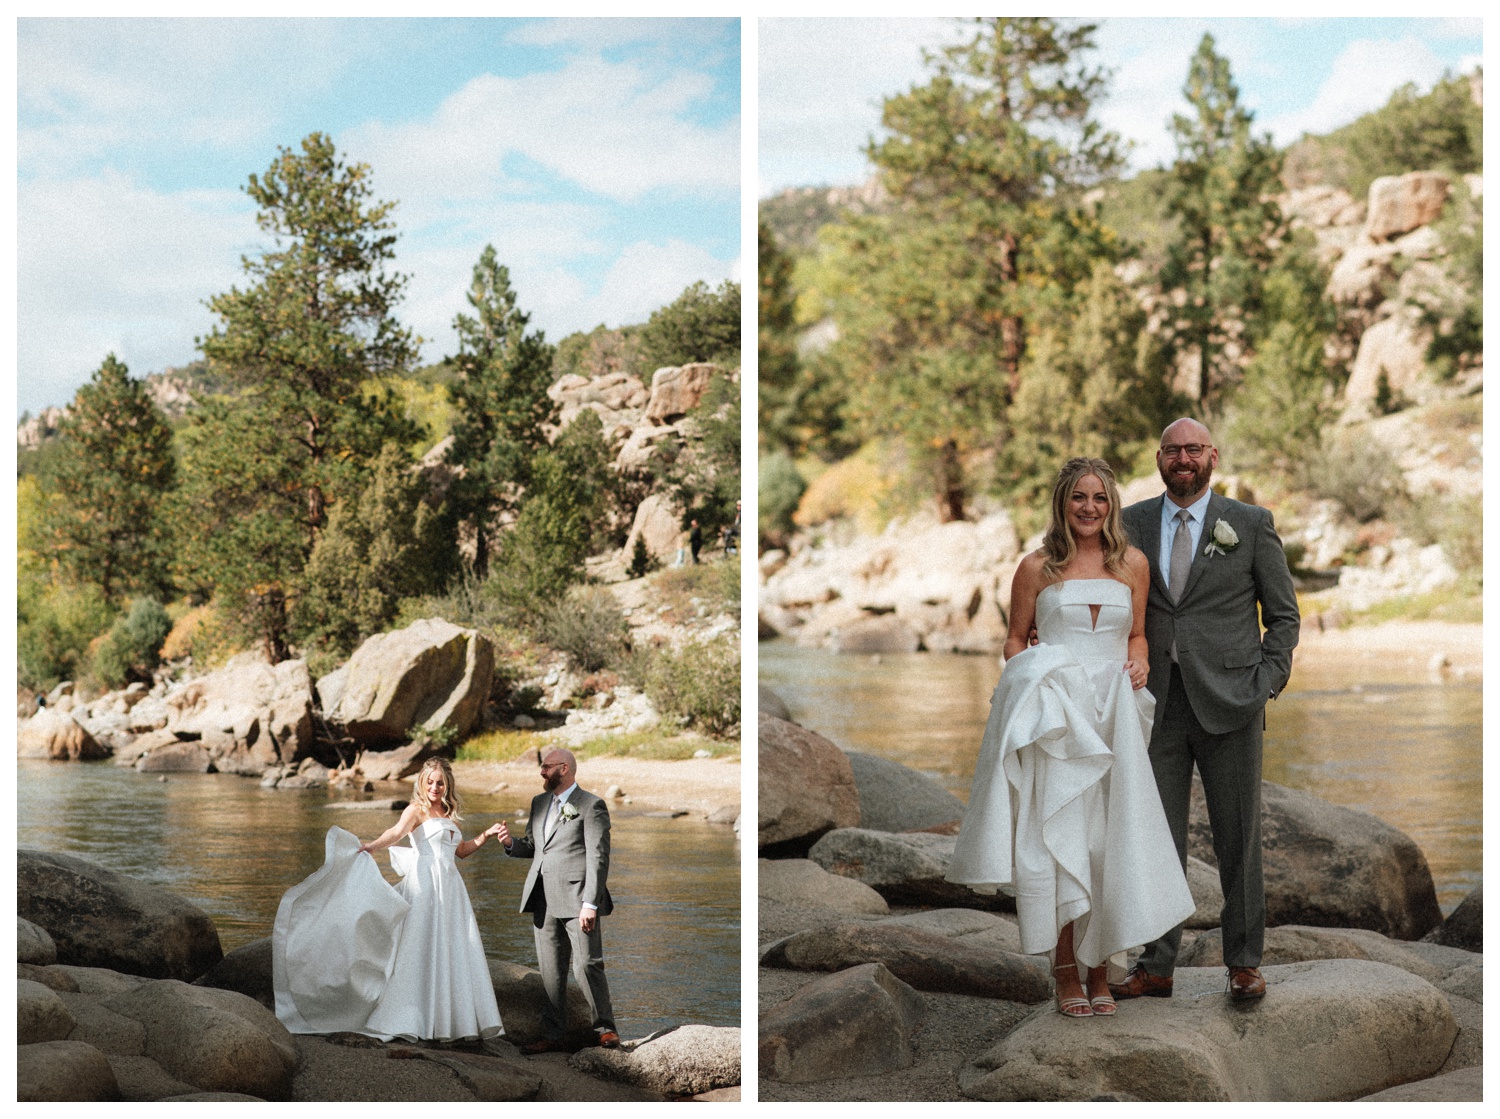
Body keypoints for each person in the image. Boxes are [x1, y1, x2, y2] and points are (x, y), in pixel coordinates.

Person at [946, 458, 1195, 1018]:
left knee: (1108, 840)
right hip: (1058, 720)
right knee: (1059, 839)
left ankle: (1101, 965)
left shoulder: (1132, 563)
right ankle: (1064, 969)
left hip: (1114, 715)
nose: (1089, 508)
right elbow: (1013, 642)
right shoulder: (1036, 567)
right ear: (1062, 503)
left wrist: (1138, 661)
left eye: (1100, 499)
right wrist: (1034, 670)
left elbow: (1137, 636)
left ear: (1113, 506)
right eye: (1079, 498)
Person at [1112, 419, 1299, 1003]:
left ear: (1213, 455)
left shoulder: (1249, 523)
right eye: (1173, 450)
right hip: (1155, 705)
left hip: (1232, 703)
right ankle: (1157, 965)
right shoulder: (1131, 523)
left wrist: (1267, 680)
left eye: (1193, 449)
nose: (1183, 458)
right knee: (1155, 839)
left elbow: (1284, 616)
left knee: (1237, 839)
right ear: (1159, 458)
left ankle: (1243, 962)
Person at [272, 757, 505, 1042]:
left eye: (440, 782)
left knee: (450, 948)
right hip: (426, 887)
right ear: (422, 783)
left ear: (447, 785)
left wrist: (487, 835)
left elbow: (461, 851)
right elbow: (395, 833)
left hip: (452, 890)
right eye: (429, 781)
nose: (434, 787)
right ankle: (411, 1016)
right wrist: (372, 846)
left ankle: (446, 1021)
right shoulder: (416, 811)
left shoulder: (448, 813)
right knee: (418, 948)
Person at [495, 748, 619, 1052]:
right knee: (551, 971)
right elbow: (535, 847)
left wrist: (590, 903)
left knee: (588, 965)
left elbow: (598, 857)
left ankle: (606, 1030)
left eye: (546, 767)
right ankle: (553, 1035)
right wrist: (510, 843)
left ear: (564, 769)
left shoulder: (591, 806)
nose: (541, 772)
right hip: (542, 898)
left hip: (578, 899)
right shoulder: (539, 803)